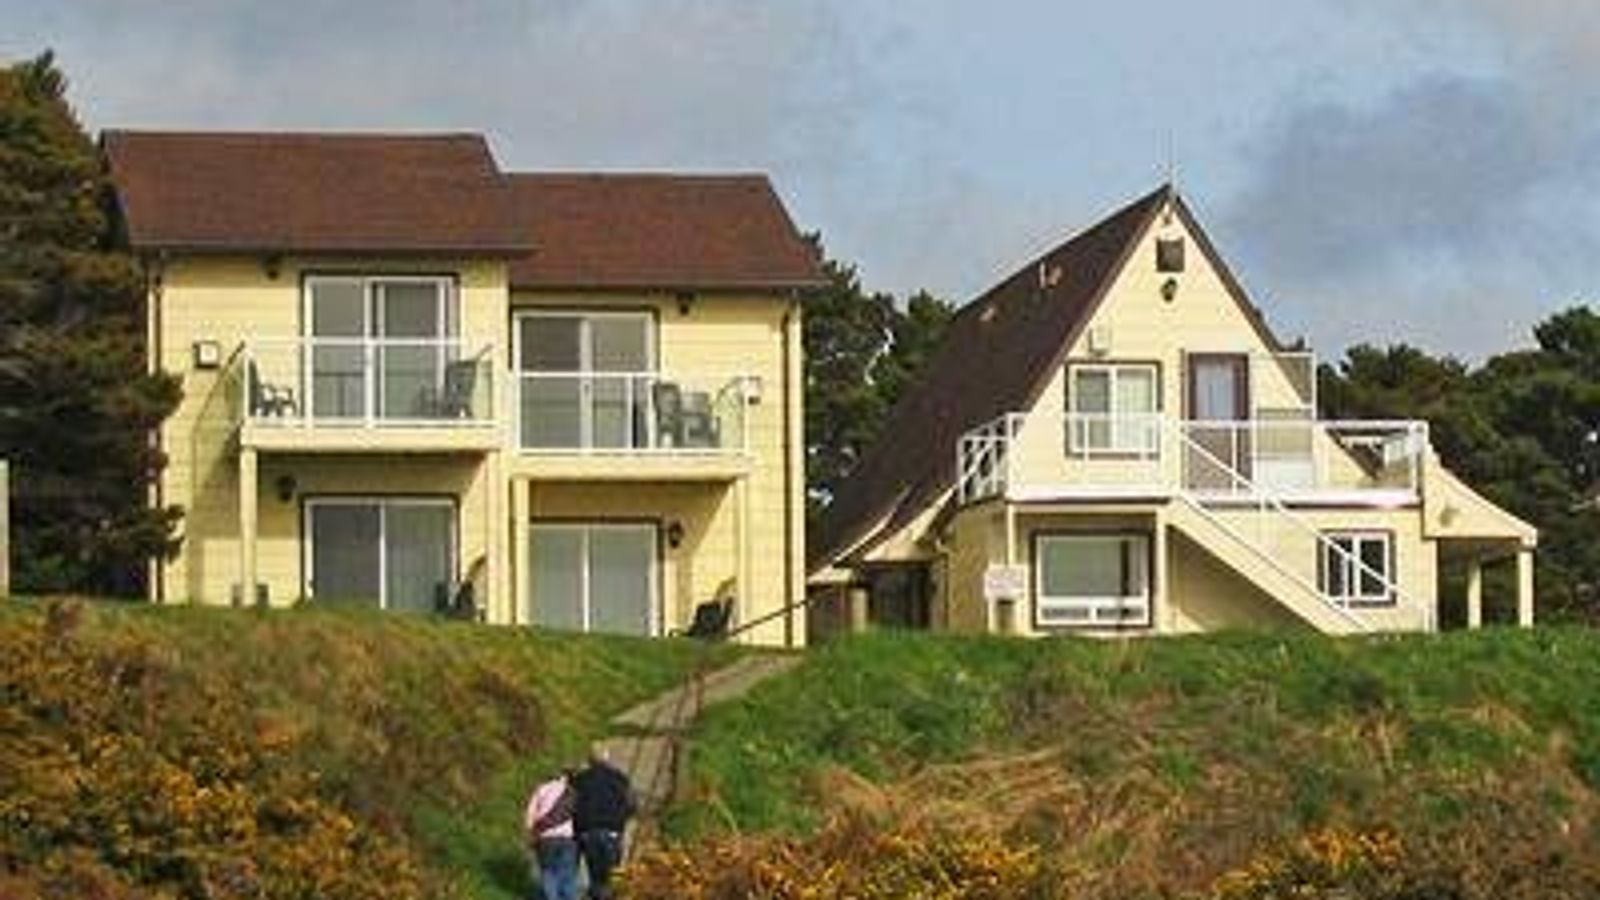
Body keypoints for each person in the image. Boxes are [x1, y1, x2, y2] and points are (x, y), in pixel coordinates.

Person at [572, 747, 638, 899]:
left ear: (590, 761)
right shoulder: (620, 778)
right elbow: (632, 805)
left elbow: (571, 805)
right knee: (612, 877)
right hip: (613, 832)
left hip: (588, 832)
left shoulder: (580, 779)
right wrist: (622, 818)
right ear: (608, 759)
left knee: (595, 875)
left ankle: (596, 893)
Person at [524, 768, 578, 900]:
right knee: (566, 876)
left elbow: (529, 818)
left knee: (549, 873)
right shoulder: (571, 792)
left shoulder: (541, 790)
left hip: (546, 840)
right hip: (566, 839)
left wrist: (532, 833)